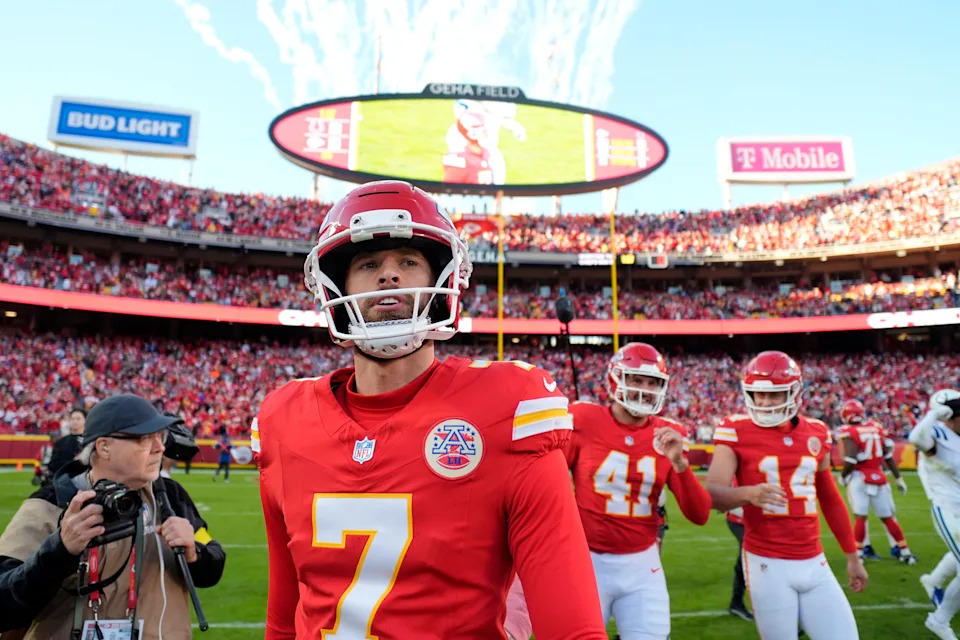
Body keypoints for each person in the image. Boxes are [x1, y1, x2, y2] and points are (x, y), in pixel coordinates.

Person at [254, 180, 606, 639]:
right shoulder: (285, 418)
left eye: (408, 261)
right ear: (331, 284)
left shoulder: (506, 406)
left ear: (443, 279)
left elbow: (573, 629)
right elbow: (284, 615)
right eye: (368, 263)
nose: (389, 275)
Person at [0, 393, 226, 639]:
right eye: (144, 439)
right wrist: (60, 551)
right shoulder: (48, 505)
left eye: (159, 437)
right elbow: (4, 604)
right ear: (104, 447)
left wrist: (195, 554)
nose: (160, 447)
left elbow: (213, 566)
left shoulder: (170, 496)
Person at [706, 351, 868, 640]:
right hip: (767, 562)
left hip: (814, 559)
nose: (765, 403)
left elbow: (829, 497)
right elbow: (713, 494)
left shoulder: (816, 432)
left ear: (794, 394)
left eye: (775, 396)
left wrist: (852, 556)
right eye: (759, 395)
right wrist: (750, 493)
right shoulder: (735, 429)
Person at [565, 343, 712, 639]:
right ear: (615, 379)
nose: (644, 389)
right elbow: (550, 484)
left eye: (652, 382)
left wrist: (679, 463)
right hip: (587, 560)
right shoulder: (583, 419)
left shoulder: (670, 433)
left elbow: (700, 514)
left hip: (643, 564)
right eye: (635, 379)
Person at [836, 399, 917, 563]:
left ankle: (859, 553)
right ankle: (904, 551)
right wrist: (898, 478)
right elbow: (888, 456)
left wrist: (843, 477)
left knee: (860, 517)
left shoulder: (849, 431)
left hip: (860, 477)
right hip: (879, 476)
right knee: (888, 517)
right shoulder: (876, 427)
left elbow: (851, 459)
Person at [909, 388, 960, 640]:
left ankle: (933, 581)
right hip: (947, 508)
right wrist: (933, 415)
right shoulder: (937, 432)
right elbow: (916, 439)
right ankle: (939, 620)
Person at [45, 408, 86, 477]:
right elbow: (53, 464)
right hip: (63, 479)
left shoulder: (89, 440)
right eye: (72, 419)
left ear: (85, 420)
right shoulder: (61, 442)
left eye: (78, 419)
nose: (75, 421)